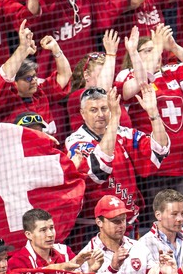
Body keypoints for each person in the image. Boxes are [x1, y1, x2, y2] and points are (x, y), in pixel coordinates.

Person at [116, 25, 183, 204]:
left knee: (178, 212)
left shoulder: (170, 73)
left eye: (155, 49)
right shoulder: (128, 76)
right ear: (135, 55)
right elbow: (135, 86)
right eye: (148, 50)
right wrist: (158, 46)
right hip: (154, 161)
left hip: (181, 159)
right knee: (159, 215)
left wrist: (173, 47)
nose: (156, 52)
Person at [65, 86, 170, 219]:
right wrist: (115, 118)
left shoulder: (123, 133)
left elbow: (160, 149)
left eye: (104, 108)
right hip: (96, 223)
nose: (100, 114)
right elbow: (99, 171)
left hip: (127, 218)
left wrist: (153, 113)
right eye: (93, 110)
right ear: (82, 113)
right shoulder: (75, 141)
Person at [0, 30, 71, 135]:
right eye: (28, 78)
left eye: (35, 76)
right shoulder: (3, 102)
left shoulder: (41, 93)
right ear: (15, 82)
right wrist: (22, 49)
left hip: (48, 148)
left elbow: (65, 75)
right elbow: (4, 75)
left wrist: (56, 49)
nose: (34, 81)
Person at [118, 189, 183, 274]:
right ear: (158, 215)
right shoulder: (144, 245)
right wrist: (182, 273)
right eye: (174, 214)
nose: (180, 219)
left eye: (182, 213)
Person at [76, 195, 138, 274]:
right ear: (99, 222)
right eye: (115, 221)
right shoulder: (86, 256)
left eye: (123, 219)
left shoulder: (139, 247)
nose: (122, 225)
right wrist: (112, 268)